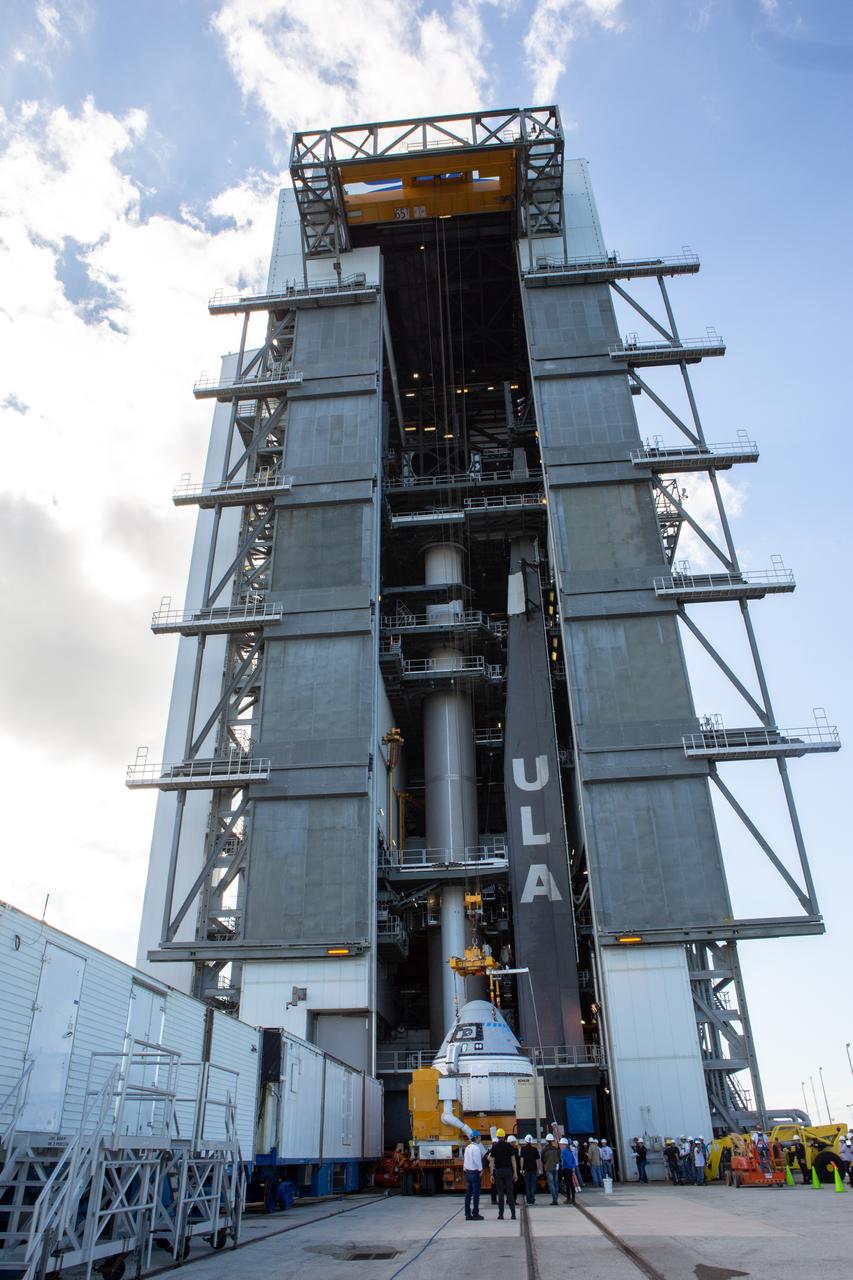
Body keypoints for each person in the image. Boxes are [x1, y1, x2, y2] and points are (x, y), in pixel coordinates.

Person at [488, 1128, 518, 1220]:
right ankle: (513, 1215)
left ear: (497, 1136)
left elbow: (492, 1161)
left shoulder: (494, 1147)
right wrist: (515, 1172)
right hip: (508, 1171)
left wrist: (491, 1174)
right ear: (504, 1136)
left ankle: (501, 1215)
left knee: (500, 1193)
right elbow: (513, 1160)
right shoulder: (509, 1146)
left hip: (498, 1172)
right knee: (510, 1193)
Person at [463, 1130, 485, 1221]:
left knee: (468, 1194)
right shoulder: (476, 1148)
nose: (480, 1138)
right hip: (475, 1173)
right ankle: (475, 1213)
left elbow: (465, 1160)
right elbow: (477, 1161)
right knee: (476, 1195)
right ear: (475, 1138)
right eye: (479, 1137)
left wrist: (465, 1168)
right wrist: (481, 1169)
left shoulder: (468, 1147)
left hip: (468, 1172)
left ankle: (467, 1214)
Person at [519, 1135, 541, 1206]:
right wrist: (538, 1169)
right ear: (531, 1141)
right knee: (533, 1185)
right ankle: (532, 1199)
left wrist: (521, 1168)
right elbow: (537, 1160)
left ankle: (528, 1200)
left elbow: (522, 1159)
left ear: (525, 1141)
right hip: (534, 1169)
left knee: (527, 1185)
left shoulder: (523, 1149)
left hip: (526, 1170)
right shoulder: (535, 1149)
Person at [541, 1133, 561, 1205]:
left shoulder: (544, 1150)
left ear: (546, 1141)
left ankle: (554, 1200)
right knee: (556, 1183)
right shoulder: (555, 1149)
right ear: (552, 1141)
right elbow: (559, 1158)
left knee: (551, 1184)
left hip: (548, 1168)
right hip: (556, 1168)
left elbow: (542, 1159)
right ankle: (556, 1199)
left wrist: (545, 1164)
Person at [560, 1137, 579, 1204]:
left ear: (564, 1144)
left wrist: (564, 1167)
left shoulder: (564, 1151)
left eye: (561, 1144)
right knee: (571, 1184)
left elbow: (565, 1161)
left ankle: (568, 1199)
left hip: (566, 1169)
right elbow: (573, 1160)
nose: (560, 1145)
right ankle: (573, 1199)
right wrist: (572, 1167)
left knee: (567, 1184)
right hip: (570, 1169)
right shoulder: (569, 1150)